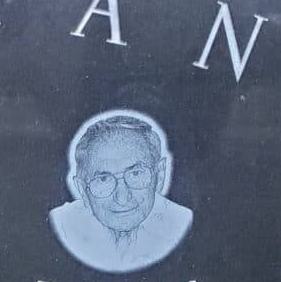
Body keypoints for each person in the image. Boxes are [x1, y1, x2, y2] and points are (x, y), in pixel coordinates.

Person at [49, 111, 192, 273]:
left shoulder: (185, 224)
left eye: (136, 173)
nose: (122, 198)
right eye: (103, 179)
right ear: (82, 189)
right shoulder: (60, 225)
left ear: (159, 176)